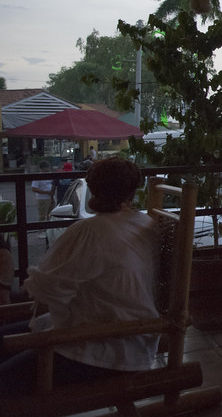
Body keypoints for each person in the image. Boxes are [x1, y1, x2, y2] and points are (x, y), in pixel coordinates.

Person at [0, 157, 161, 399]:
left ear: (93, 187)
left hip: (98, 348)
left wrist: (34, 329)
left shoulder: (89, 231)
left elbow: (45, 292)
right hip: (133, 341)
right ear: (132, 191)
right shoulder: (144, 224)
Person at [30, 162, 55, 235]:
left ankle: (49, 230)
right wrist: (46, 192)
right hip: (43, 199)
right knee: (42, 216)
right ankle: (41, 231)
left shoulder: (50, 175)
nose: (48, 169)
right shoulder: (38, 177)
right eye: (46, 167)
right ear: (42, 169)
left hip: (51, 197)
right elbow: (34, 188)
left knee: (51, 215)